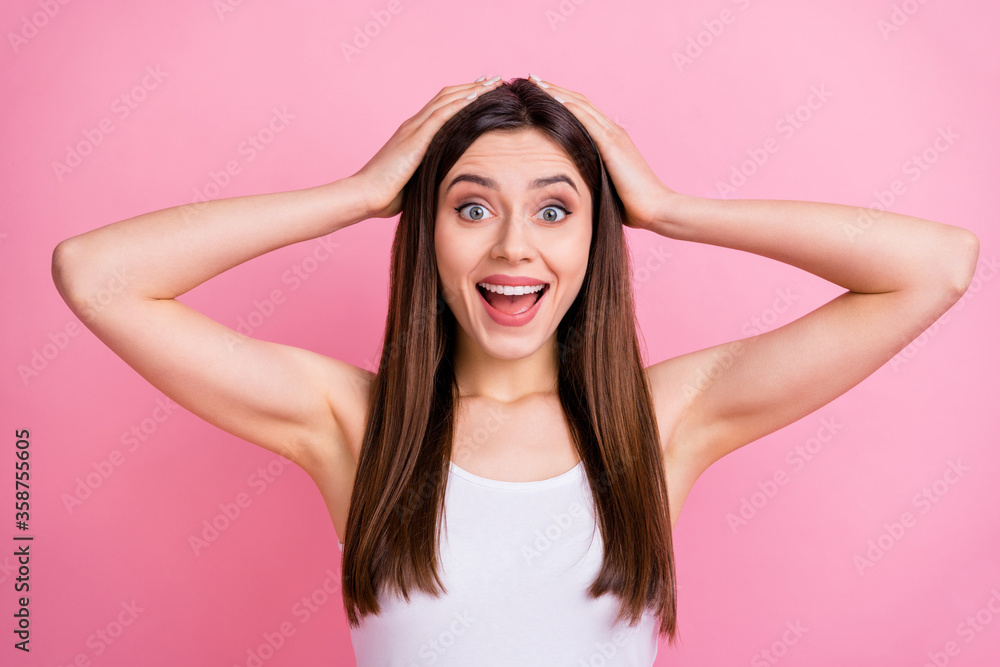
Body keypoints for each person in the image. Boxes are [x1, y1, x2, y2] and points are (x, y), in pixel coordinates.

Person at [50, 74, 980, 666]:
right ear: (428, 234)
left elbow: (935, 266)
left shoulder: (661, 422)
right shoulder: (354, 425)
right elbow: (97, 277)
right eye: (469, 208)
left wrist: (668, 208)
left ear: (594, 238)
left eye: (552, 211)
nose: (511, 249)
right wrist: (360, 195)